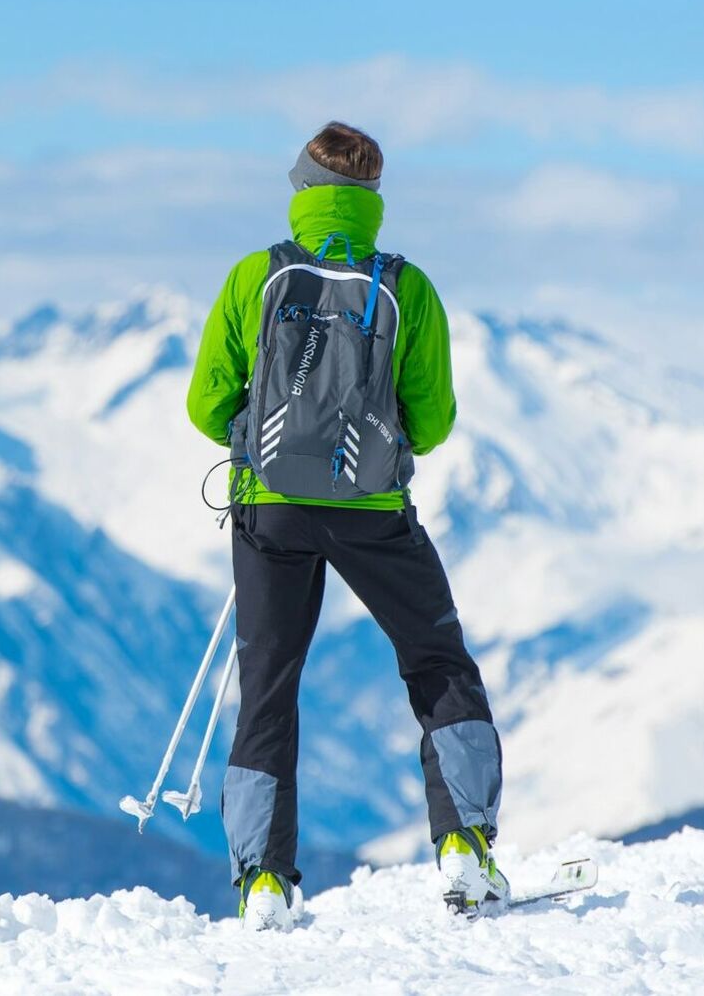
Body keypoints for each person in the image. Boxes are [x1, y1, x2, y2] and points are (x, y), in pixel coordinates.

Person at [184, 121, 506, 931]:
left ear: (301, 190)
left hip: (270, 508)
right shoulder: (407, 287)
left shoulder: (256, 278)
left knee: (269, 684)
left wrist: (260, 440)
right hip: (372, 512)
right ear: (373, 200)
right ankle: (464, 842)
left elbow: (204, 404)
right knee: (435, 661)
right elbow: (432, 422)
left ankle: (263, 880)